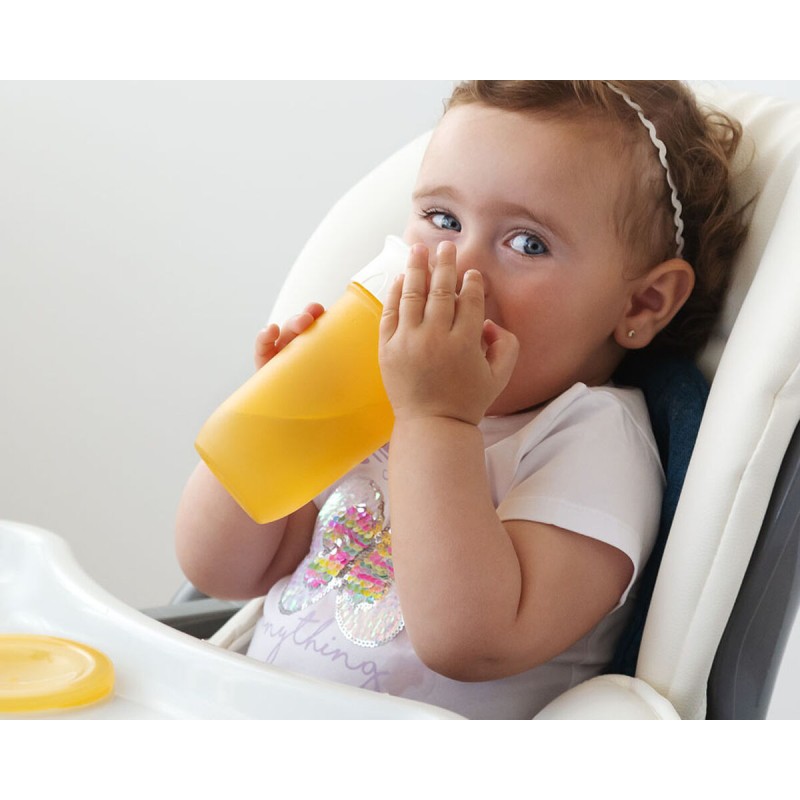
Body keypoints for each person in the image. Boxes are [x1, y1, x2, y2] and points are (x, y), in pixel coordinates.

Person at [175, 81, 748, 719]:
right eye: (443, 220)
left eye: (528, 243)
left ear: (642, 303)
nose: (458, 267)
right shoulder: (378, 394)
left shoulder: (594, 441)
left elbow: (470, 641)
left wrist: (435, 418)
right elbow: (224, 571)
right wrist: (281, 418)